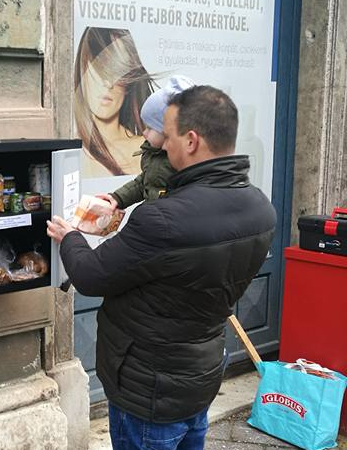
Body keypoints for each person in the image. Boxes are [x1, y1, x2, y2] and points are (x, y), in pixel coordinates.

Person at [48, 85, 276, 450]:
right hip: (200, 377)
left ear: (190, 140)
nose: (160, 147)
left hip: (148, 389)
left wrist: (69, 237)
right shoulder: (261, 209)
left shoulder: (162, 220)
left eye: (166, 137)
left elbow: (90, 275)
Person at [102, 75, 194, 212]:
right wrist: (118, 198)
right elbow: (146, 182)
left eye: (151, 128)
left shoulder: (181, 162)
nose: (144, 133)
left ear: (168, 131)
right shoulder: (153, 152)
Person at [74, 27, 157, 176]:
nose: (108, 83)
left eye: (118, 72)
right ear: (83, 72)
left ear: (128, 83)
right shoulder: (72, 152)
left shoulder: (144, 148)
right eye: (99, 68)